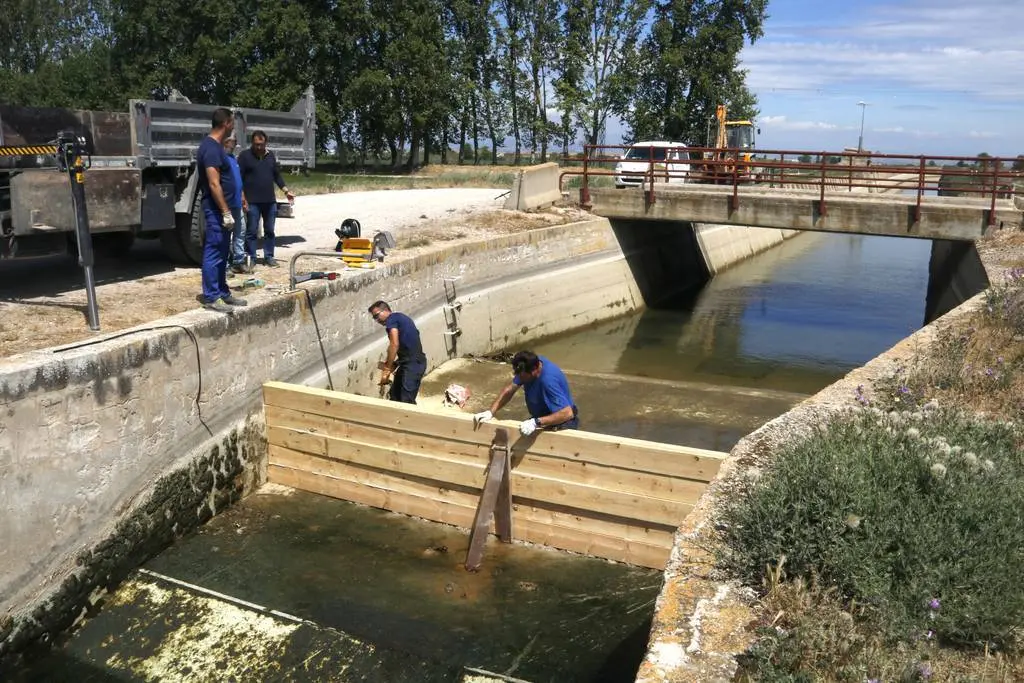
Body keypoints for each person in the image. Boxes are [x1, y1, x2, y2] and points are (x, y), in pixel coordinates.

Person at [196, 109, 247, 313]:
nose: (233, 126)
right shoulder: (210, 148)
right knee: (215, 250)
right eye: (232, 122)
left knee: (223, 251)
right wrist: (225, 211)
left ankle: (222, 292)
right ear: (226, 123)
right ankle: (211, 296)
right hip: (216, 210)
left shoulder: (217, 148)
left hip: (224, 210)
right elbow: (214, 183)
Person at [474, 351, 579, 435]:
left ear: (534, 371)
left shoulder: (548, 381)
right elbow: (509, 390)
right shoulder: (531, 364)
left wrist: (536, 422)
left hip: (562, 421)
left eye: (523, 377)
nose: (520, 379)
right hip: (542, 416)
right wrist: (491, 412)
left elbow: (567, 413)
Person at [238, 130, 295, 268]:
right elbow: (238, 179)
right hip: (252, 202)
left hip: (269, 202)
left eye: (261, 144)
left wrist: (286, 191)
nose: (259, 147)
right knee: (251, 231)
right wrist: (242, 197)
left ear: (265, 143)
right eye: (256, 144)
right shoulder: (244, 156)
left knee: (269, 230)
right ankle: (251, 258)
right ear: (252, 143)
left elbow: (277, 176)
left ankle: (269, 256)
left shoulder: (270, 156)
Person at [368, 300, 427, 404]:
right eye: (374, 318)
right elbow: (409, 345)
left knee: (406, 402)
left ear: (386, 310)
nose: (377, 320)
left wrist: (387, 368)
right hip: (408, 362)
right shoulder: (401, 318)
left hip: (413, 365)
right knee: (395, 394)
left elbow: (394, 344)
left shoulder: (392, 319)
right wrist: (396, 363)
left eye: (377, 316)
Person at [222, 136, 249, 274]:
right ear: (225, 142)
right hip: (227, 203)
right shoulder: (221, 159)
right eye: (232, 142)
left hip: (237, 202)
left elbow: (238, 181)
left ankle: (238, 261)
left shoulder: (233, 158)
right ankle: (225, 265)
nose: (234, 144)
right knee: (226, 234)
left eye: (235, 142)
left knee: (241, 231)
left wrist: (243, 197)